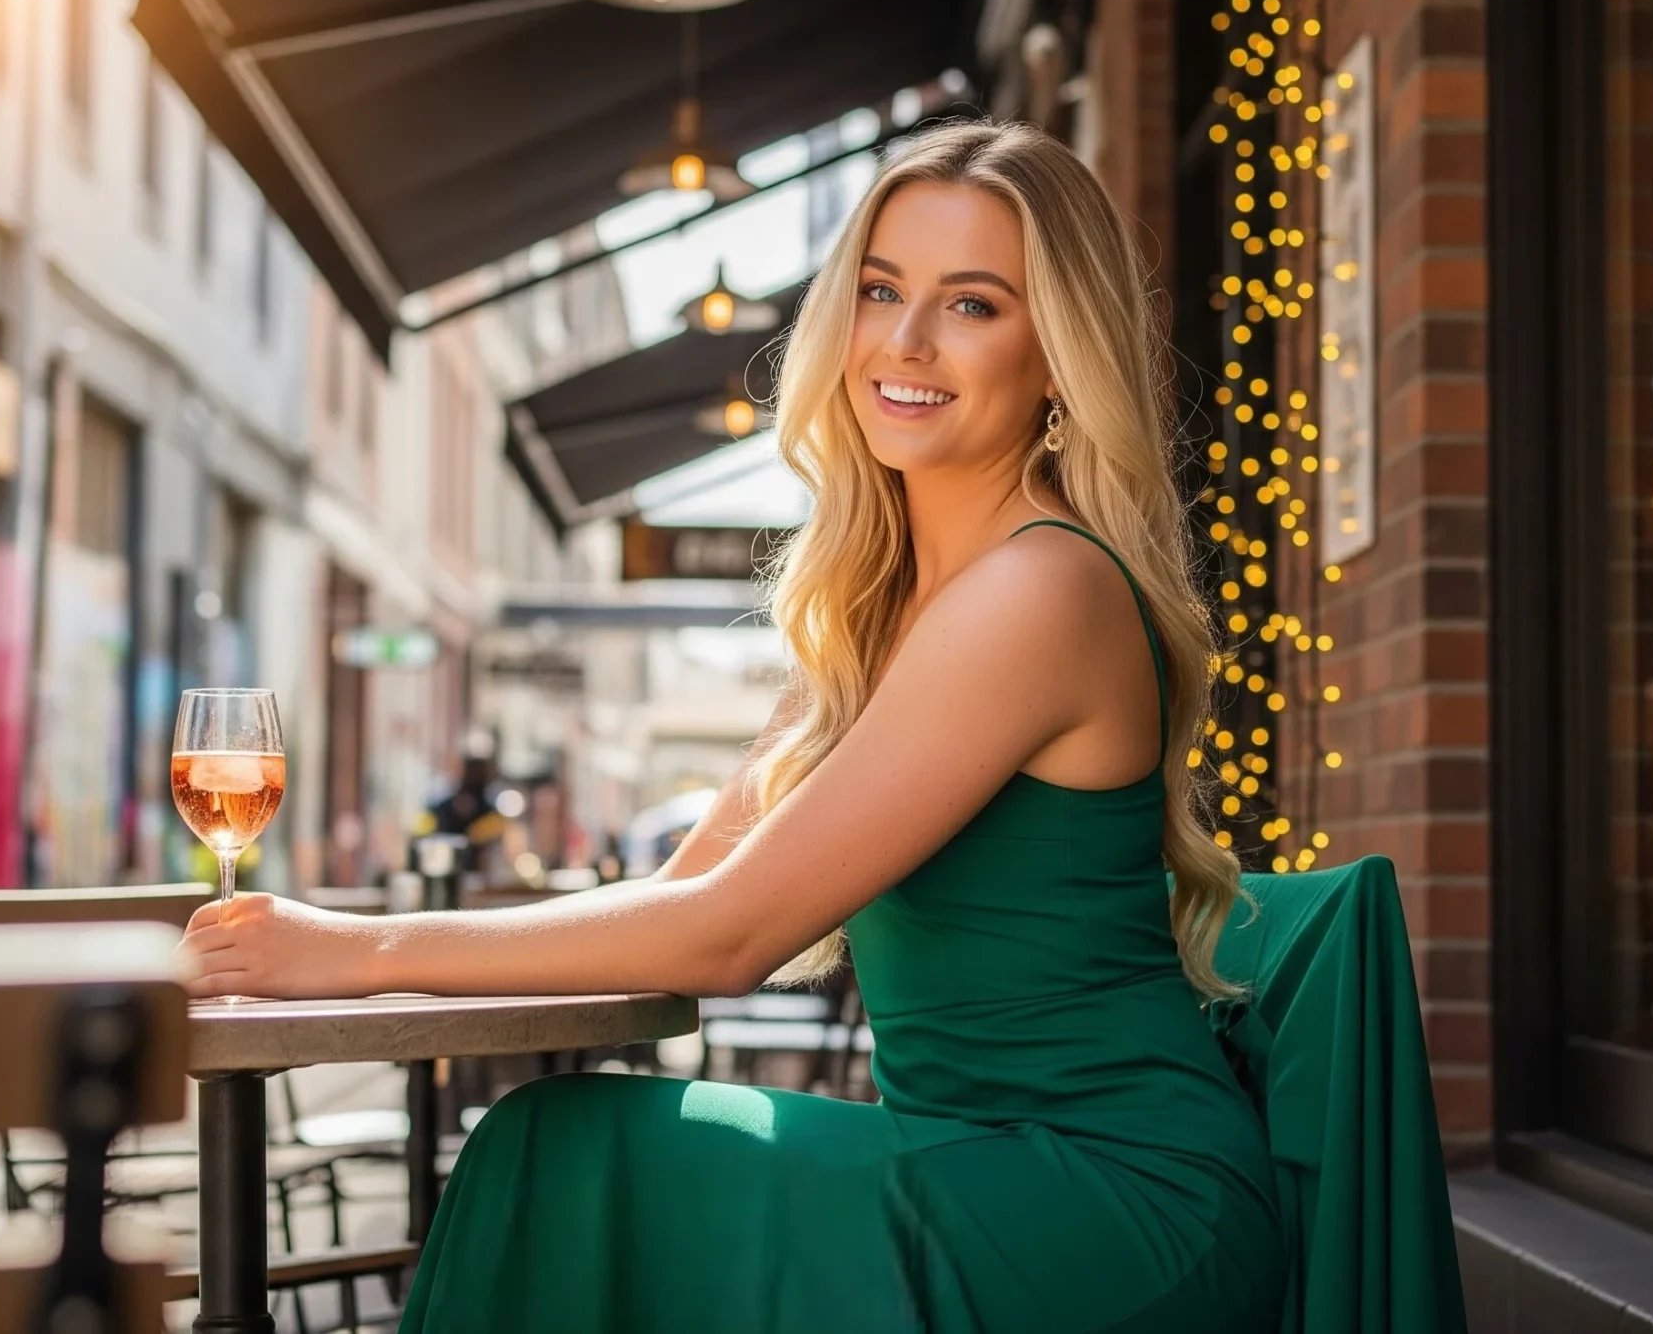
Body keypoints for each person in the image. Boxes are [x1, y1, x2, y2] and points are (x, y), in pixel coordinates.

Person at [181, 123, 1288, 1331]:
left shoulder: (1038, 591)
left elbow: (727, 937)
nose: (904, 342)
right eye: (879, 290)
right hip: (964, 1163)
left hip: (1114, 1202)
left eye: (970, 305)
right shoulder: (882, 608)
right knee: (558, 1147)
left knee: (569, 1157)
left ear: (1059, 354)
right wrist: (344, 948)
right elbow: (688, 888)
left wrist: (356, 949)